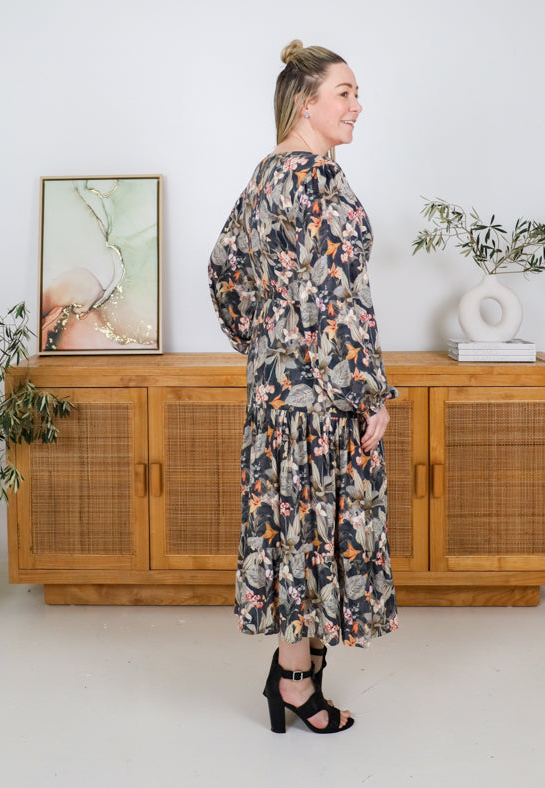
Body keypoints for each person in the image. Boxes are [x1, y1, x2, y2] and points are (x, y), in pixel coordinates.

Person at [208, 39, 399, 734]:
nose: (356, 105)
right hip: (323, 400)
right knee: (313, 528)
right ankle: (294, 684)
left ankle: (299, 669)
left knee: (295, 528)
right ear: (305, 101)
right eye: (344, 92)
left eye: (355, 93)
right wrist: (367, 393)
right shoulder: (316, 180)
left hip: (279, 399)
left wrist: (265, 349)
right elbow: (339, 301)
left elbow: (223, 267)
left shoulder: (264, 177)